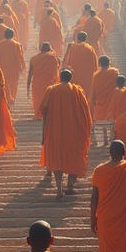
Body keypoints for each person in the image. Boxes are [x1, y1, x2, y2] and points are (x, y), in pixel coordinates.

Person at [40, 67, 93, 199]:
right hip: (74, 132)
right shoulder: (78, 91)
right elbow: (86, 114)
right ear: (71, 78)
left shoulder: (51, 90)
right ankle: (70, 185)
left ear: (59, 77)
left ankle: (59, 189)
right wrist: (86, 129)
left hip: (55, 132)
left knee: (57, 158)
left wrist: (44, 132)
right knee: (74, 156)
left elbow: (44, 112)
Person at [90, 56, 120, 146]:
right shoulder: (115, 72)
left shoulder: (96, 76)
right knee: (112, 122)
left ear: (99, 64)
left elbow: (93, 91)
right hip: (112, 103)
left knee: (101, 122)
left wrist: (92, 100)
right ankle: (113, 143)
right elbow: (119, 86)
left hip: (100, 104)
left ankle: (103, 143)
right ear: (109, 62)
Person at [0, 26, 26, 104]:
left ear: (5, 35)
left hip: (3, 68)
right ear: (13, 35)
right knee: (14, 84)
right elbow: (20, 56)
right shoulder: (16, 44)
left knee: (5, 83)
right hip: (14, 68)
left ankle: (8, 98)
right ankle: (12, 97)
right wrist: (23, 66)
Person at [63, 31, 98, 103]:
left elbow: (66, 63)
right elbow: (95, 65)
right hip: (87, 79)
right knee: (85, 97)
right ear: (86, 39)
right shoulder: (90, 49)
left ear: (77, 38)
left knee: (75, 96)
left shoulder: (72, 48)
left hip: (75, 77)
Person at [27, 40, 60, 117]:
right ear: (50, 49)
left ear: (40, 49)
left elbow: (30, 74)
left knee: (38, 99)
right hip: (51, 83)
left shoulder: (34, 58)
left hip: (37, 84)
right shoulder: (54, 58)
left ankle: (38, 114)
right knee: (49, 99)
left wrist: (28, 87)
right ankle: (49, 114)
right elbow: (58, 70)